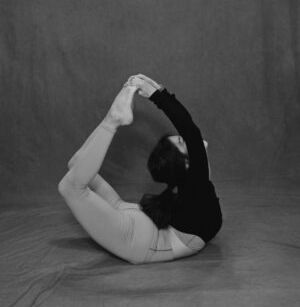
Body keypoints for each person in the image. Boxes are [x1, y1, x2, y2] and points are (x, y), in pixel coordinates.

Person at [58, 74, 222, 264]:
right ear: (185, 163)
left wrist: (158, 92)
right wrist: (157, 94)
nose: (184, 138)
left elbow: (192, 136)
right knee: (73, 173)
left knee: (73, 179)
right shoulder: (195, 186)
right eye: (180, 141)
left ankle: (111, 120)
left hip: (141, 233)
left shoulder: (194, 187)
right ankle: (111, 120)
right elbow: (192, 132)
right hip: (141, 234)